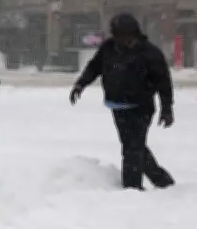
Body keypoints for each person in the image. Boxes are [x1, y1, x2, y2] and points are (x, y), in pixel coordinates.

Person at [69, 12, 175, 191]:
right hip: (118, 106)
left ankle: (132, 187)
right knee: (133, 145)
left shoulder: (149, 52)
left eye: (122, 35)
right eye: (116, 35)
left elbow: (163, 82)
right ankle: (161, 179)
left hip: (141, 107)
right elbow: (94, 67)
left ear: (133, 33)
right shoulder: (108, 48)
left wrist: (167, 108)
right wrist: (80, 84)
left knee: (132, 147)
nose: (119, 39)